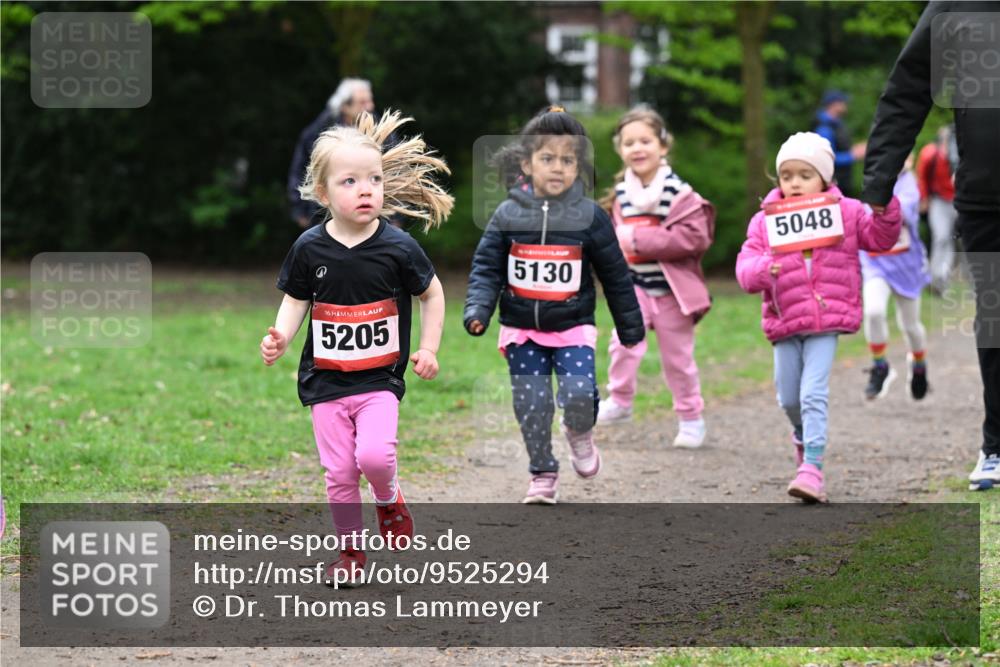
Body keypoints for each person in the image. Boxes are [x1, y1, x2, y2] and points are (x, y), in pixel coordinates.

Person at [261, 110, 453, 585]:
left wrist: (428, 348)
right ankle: (350, 554)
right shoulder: (309, 247)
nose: (366, 189)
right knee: (340, 474)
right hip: (325, 382)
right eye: (350, 181)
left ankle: (388, 498)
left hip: (378, 380)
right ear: (324, 194)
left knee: (374, 459)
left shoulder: (399, 246)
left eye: (374, 179)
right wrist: (281, 336)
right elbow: (295, 300)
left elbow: (432, 294)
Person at [463, 106, 644, 505]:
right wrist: (478, 309)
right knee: (532, 405)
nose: (558, 168)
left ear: (578, 166)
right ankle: (542, 472)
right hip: (522, 328)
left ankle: (580, 433)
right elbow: (486, 267)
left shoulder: (591, 217)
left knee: (579, 394)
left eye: (568, 159)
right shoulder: (507, 214)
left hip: (573, 326)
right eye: (548, 158)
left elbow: (615, 275)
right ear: (527, 164)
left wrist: (630, 326)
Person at [859, 1, 1000, 491]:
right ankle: (997, 443)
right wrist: (878, 182)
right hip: (988, 195)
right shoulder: (958, 6)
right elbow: (909, 88)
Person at [736, 131, 901, 503]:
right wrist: (765, 268)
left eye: (804, 175)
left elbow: (881, 238)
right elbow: (745, 269)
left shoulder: (847, 212)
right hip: (784, 320)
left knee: (812, 394)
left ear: (825, 178)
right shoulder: (764, 222)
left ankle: (812, 468)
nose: (794, 183)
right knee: (788, 398)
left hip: (827, 319)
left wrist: (885, 207)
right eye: (787, 175)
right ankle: (800, 435)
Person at [595, 106, 715, 449]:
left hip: (673, 293)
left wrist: (636, 239)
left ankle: (691, 419)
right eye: (629, 142)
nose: (637, 148)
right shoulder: (620, 195)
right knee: (623, 344)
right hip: (634, 288)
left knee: (678, 360)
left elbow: (695, 238)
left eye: (645, 140)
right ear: (620, 149)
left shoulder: (679, 193)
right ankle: (619, 401)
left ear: (663, 146)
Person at [860, 154, 931, 401]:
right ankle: (880, 366)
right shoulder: (869, 181)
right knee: (873, 312)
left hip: (906, 264)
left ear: (908, 160)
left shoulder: (909, 184)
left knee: (910, 325)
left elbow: (906, 212)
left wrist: (882, 205)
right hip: (875, 262)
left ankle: (919, 364)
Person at [287, 78, 376, 229]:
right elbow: (300, 171)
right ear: (345, 107)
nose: (370, 106)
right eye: (362, 102)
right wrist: (300, 210)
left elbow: (396, 172)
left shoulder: (380, 129)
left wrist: (396, 216)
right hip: (323, 217)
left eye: (370, 101)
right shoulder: (318, 131)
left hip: (372, 216)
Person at [916, 126, 959, 293]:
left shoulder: (960, 156)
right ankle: (935, 278)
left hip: (957, 201)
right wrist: (925, 198)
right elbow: (922, 178)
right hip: (938, 201)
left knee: (952, 239)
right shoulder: (929, 154)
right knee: (940, 237)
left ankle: (942, 277)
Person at [813, 90, 867, 197]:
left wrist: (854, 149)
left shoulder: (837, 124)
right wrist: (853, 155)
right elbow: (826, 158)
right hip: (835, 184)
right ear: (834, 104)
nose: (845, 104)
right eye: (842, 102)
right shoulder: (824, 128)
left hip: (843, 181)